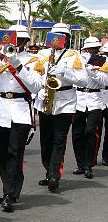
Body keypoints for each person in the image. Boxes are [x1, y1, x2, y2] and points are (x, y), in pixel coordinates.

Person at [0, 24, 41, 213]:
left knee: (15, 151)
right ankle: (9, 188)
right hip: (0, 109)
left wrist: (18, 65)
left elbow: (36, 86)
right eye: (13, 40)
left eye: (19, 40)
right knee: (3, 153)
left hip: (20, 108)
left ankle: (10, 193)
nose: (15, 43)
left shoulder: (33, 59)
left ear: (24, 42)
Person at [33, 22, 87, 191]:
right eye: (55, 36)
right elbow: (35, 75)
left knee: (59, 139)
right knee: (45, 140)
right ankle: (49, 170)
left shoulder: (73, 56)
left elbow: (83, 80)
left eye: (62, 36)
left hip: (65, 101)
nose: (57, 40)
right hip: (46, 99)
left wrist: (65, 72)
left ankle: (55, 174)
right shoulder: (42, 54)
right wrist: (39, 90)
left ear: (67, 38)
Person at [71, 37, 108, 178]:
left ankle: (88, 165)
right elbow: (73, 77)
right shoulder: (77, 59)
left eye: (95, 49)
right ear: (85, 49)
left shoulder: (103, 61)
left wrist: (93, 71)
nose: (92, 51)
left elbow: (105, 81)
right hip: (79, 98)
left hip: (95, 99)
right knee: (77, 133)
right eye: (90, 49)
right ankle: (80, 164)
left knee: (90, 131)